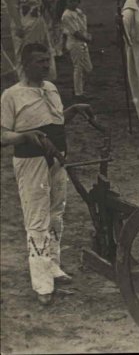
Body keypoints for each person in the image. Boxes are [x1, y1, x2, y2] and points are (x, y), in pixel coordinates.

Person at [1, 43, 94, 305]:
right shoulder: (12, 95)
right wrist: (25, 136)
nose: (45, 65)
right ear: (24, 64)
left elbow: (55, 123)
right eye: (40, 61)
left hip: (57, 159)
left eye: (47, 60)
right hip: (31, 162)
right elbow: (3, 135)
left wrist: (73, 111)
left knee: (56, 214)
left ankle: (53, 267)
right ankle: (42, 284)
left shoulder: (50, 89)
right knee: (37, 219)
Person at [6, 0, 57, 81]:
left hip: (39, 21)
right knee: (24, 52)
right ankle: (24, 80)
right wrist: (18, 26)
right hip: (25, 21)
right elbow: (13, 7)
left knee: (42, 49)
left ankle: (44, 78)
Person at [60, 0, 92, 100]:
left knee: (88, 68)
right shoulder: (66, 15)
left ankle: (78, 88)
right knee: (78, 67)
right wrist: (87, 39)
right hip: (75, 43)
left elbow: (83, 27)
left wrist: (87, 36)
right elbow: (75, 32)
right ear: (66, 3)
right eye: (70, 1)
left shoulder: (79, 11)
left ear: (78, 1)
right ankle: (78, 93)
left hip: (82, 42)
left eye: (74, 1)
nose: (72, 3)